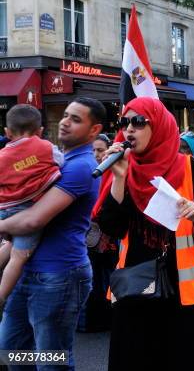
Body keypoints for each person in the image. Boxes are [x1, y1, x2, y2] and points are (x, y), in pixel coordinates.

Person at [94, 97, 194, 370]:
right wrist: (119, 178)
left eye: (139, 122)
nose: (129, 129)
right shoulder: (125, 169)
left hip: (184, 291)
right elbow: (111, 227)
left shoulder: (190, 168)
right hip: (136, 285)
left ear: (160, 127)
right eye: (124, 122)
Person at [0, 97, 105, 369]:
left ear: (95, 130)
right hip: (29, 269)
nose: (66, 122)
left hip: (58, 276)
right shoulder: (56, 158)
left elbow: (33, 220)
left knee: (51, 360)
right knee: (11, 350)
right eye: (66, 115)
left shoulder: (81, 166)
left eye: (76, 119)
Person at [0, 105, 64, 313]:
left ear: (7, 133)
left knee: (9, 245)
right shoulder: (45, 146)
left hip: (7, 208)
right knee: (19, 257)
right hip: (30, 207)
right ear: (40, 131)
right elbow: (60, 161)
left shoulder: (2, 156)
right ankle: (1, 296)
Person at [79, 133, 118, 333]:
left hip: (110, 237)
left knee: (107, 278)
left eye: (100, 150)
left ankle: (107, 319)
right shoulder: (85, 172)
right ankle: (89, 322)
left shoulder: (115, 172)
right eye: (92, 150)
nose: (96, 154)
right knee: (91, 279)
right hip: (87, 236)